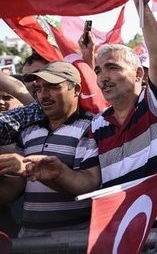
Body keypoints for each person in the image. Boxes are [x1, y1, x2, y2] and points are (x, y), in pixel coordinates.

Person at [25, 0, 157, 228]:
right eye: (98, 70)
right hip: (126, 237)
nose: (102, 77)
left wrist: (142, 6)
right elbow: (90, 181)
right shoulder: (97, 125)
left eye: (113, 68)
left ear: (139, 74)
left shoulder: (156, 105)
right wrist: (58, 173)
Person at [0, 62, 99, 237]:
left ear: (76, 89)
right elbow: (13, 189)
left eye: (52, 87)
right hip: (30, 241)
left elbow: (88, 185)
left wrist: (57, 173)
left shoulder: (92, 127)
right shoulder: (29, 131)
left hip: (75, 243)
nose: (43, 95)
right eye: (38, 89)